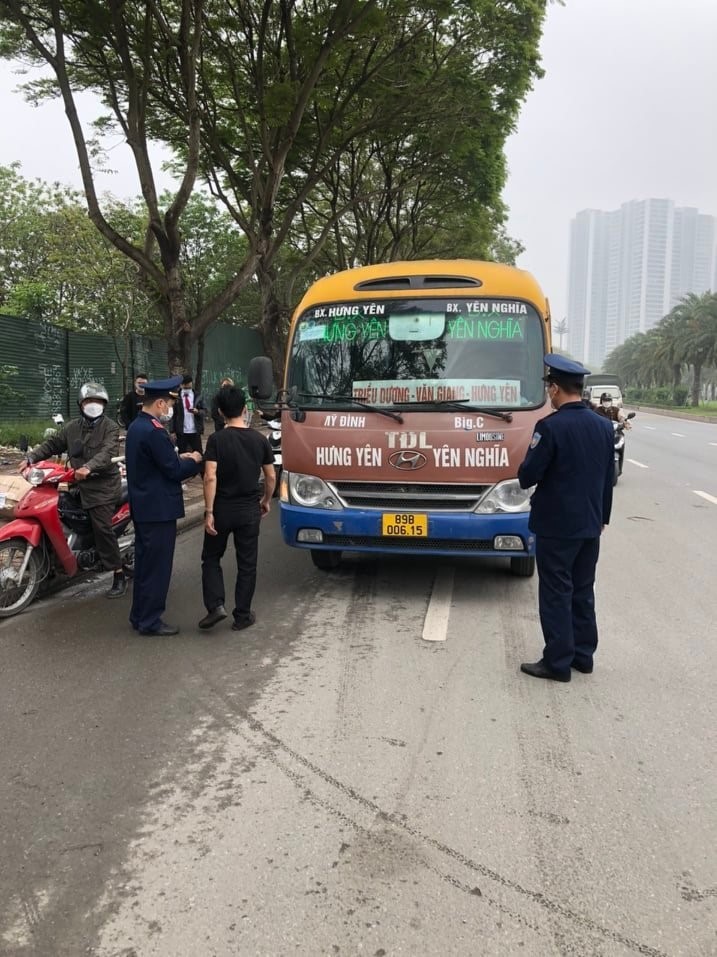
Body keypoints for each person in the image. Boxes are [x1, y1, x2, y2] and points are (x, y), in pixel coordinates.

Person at [517, 354, 615, 682]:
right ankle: (583, 655)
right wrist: (602, 516)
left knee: (557, 591)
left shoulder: (550, 427)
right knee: (583, 589)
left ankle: (557, 662)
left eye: (549, 388)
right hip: (590, 524)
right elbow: (607, 477)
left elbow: (528, 476)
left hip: (557, 527)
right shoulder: (603, 426)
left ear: (556, 389)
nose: (549, 393)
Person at [25, 382, 128, 598]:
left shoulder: (110, 427)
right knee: (59, 510)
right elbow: (53, 444)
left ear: (104, 404)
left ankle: (118, 573)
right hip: (80, 485)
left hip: (103, 487)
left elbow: (108, 452)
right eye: (89, 401)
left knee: (101, 527)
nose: (94, 405)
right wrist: (31, 458)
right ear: (81, 404)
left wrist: (89, 467)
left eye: (98, 402)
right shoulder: (72, 428)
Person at [125, 376, 203, 635]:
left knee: (145, 565)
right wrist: (194, 461)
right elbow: (173, 470)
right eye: (168, 403)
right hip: (158, 510)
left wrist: (177, 456)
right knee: (157, 568)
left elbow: (156, 462)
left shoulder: (138, 426)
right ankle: (150, 621)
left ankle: (139, 615)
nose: (170, 408)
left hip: (144, 507)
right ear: (159, 403)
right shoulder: (154, 432)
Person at [198, 386, 275, 632]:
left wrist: (209, 512)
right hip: (249, 510)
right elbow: (271, 476)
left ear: (220, 413)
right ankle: (242, 615)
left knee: (211, 558)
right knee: (247, 563)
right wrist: (266, 499)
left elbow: (210, 476)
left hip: (222, 509)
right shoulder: (259, 440)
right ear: (245, 409)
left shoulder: (217, 439)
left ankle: (215, 605)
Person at [174, 373, 207, 454]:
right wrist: (172, 431)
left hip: (195, 431)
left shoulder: (198, 396)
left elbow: (205, 411)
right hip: (181, 431)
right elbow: (173, 414)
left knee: (198, 453)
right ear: (181, 384)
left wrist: (198, 412)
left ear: (191, 383)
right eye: (184, 385)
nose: (186, 387)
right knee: (181, 453)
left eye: (188, 385)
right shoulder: (176, 396)